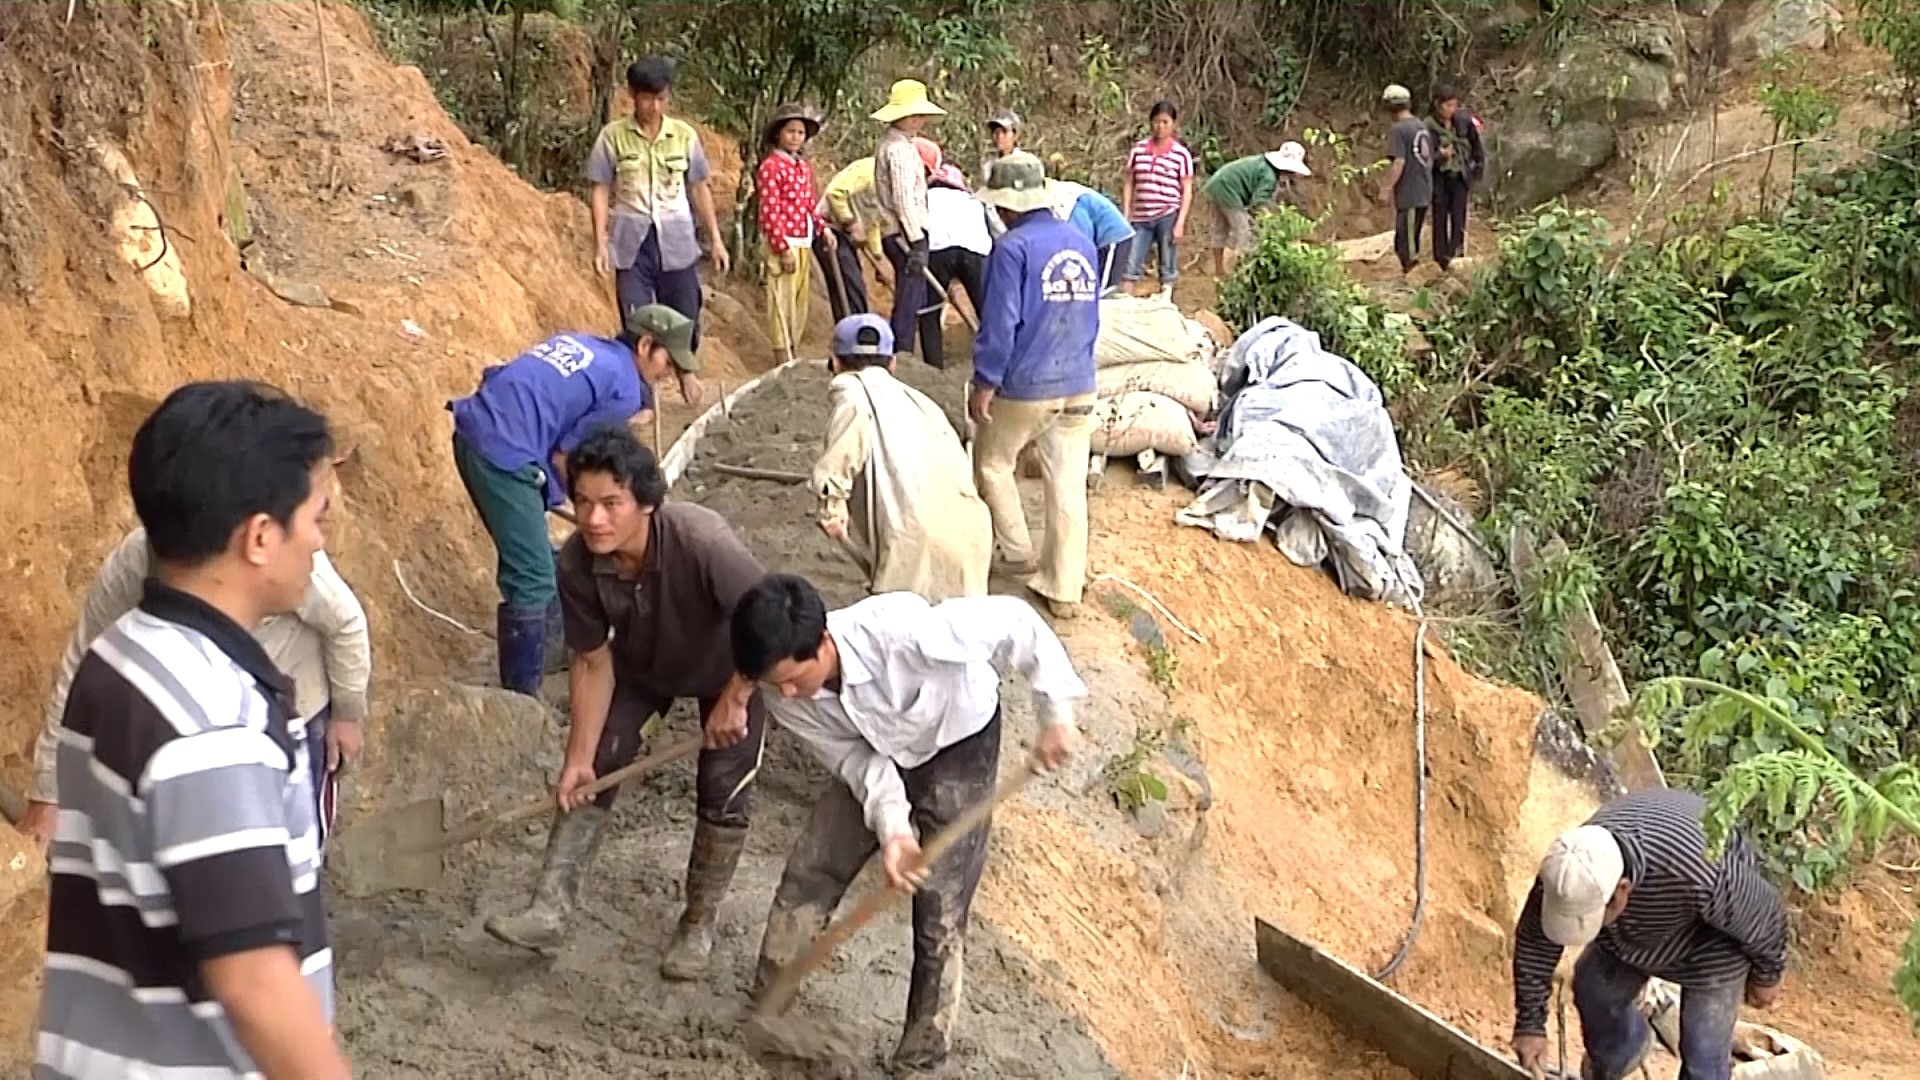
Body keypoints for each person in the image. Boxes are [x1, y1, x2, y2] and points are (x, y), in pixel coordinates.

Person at [38, 381, 347, 1078]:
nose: (320, 542)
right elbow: (254, 983)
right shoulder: (213, 721)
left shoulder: (123, 656)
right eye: (315, 519)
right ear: (261, 537)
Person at [730, 574, 1083, 1075]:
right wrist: (894, 831)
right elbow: (857, 762)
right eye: (773, 683)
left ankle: (920, 1057)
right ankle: (770, 1012)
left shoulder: (903, 631)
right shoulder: (786, 698)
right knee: (811, 870)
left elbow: (1016, 622)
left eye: (793, 678)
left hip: (959, 741)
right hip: (878, 752)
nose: (787, 692)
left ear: (823, 642)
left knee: (939, 906)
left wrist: (1056, 712)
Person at [484, 427, 770, 982]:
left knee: (723, 788)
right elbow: (592, 663)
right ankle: (550, 906)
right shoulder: (577, 565)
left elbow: (767, 620)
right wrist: (578, 758)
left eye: (611, 504)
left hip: (732, 668)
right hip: (646, 669)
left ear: (644, 501)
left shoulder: (700, 541)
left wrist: (736, 698)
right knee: (599, 766)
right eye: (584, 503)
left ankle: (697, 924)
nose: (594, 520)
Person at [21, 526, 371, 857]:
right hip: (206, 711)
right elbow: (83, 667)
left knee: (288, 856)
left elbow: (347, 622)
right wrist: (48, 796)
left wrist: (347, 714)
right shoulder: (135, 561)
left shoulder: (286, 554)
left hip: (295, 710)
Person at [447, 305, 694, 696]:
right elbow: (567, 458)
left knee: (539, 553)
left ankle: (552, 646)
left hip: (475, 428)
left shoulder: (592, 346)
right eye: (669, 361)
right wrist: (598, 514)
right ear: (646, 344)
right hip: (502, 451)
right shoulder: (625, 388)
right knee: (532, 577)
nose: (668, 374)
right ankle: (520, 699)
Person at [1511, 789, 1789, 1080]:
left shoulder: (1701, 873)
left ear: (1621, 892)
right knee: (1595, 990)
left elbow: (1765, 912)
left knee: (1702, 1052)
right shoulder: (1567, 869)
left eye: (1588, 919)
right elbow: (1535, 943)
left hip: (1711, 942)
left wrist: (1767, 976)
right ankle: (1622, 1054)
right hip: (1635, 928)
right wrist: (1529, 1025)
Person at [968, 151, 1100, 619]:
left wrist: (985, 381)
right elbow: (1091, 314)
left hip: (1027, 383)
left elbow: (1000, 324)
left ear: (1008, 205)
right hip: (1080, 381)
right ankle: (1065, 590)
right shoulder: (1081, 241)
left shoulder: (1012, 249)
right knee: (1068, 485)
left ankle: (1018, 551)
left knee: (993, 463)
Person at [814, 314, 992, 602]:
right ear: (893, 364)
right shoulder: (923, 404)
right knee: (960, 631)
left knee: (904, 632)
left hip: (915, 538)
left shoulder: (854, 398)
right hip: (972, 532)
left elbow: (838, 461)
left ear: (834, 362)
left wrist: (831, 507)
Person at [587, 56, 729, 378]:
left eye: (662, 98)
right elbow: (600, 189)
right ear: (633, 97)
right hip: (631, 243)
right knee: (635, 318)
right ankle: (639, 390)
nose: (654, 107)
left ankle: (685, 375)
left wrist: (717, 240)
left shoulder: (684, 136)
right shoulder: (613, 137)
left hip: (676, 238)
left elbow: (699, 187)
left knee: (685, 312)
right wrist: (600, 244)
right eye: (648, 98)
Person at [872, 79, 947, 363]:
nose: (921, 120)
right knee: (909, 297)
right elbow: (904, 199)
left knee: (912, 295)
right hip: (906, 232)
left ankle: (901, 350)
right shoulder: (899, 150)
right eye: (916, 115)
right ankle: (900, 352)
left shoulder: (896, 145)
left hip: (899, 230)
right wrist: (916, 241)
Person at [755, 102, 836, 362]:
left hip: (803, 240)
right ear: (779, 133)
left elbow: (809, 205)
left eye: (800, 133)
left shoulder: (803, 167)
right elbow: (770, 209)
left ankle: (794, 351)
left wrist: (824, 231)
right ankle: (782, 358)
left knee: (799, 304)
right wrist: (781, 247)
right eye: (790, 131)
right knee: (781, 302)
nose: (796, 138)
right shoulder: (771, 167)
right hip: (784, 242)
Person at [920, 164, 995, 371]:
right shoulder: (973, 201)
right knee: (988, 310)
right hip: (974, 251)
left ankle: (932, 367)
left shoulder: (926, 196)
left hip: (938, 250)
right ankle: (997, 360)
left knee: (930, 313)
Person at [1200, 142, 1312, 277]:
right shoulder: (1268, 176)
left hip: (1216, 185)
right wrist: (1270, 223)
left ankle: (1219, 272)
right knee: (1244, 233)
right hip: (1229, 190)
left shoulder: (1261, 164)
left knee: (1220, 229)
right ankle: (1242, 273)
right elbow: (1258, 204)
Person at [1121, 100, 1195, 294]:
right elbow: (1129, 181)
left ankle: (1166, 302)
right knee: (1130, 263)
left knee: (1167, 264)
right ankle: (1125, 301)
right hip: (1141, 216)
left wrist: (1180, 222)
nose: (1160, 127)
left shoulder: (1181, 155)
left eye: (1165, 122)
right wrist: (1127, 211)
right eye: (1156, 122)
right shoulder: (1138, 150)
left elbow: (1187, 189)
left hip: (1168, 213)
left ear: (1173, 125)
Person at [817, 156, 895, 322]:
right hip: (828, 229)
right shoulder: (868, 170)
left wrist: (877, 256)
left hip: (846, 234)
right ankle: (852, 334)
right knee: (848, 286)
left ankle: (854, 331)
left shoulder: (889, 184)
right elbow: (835, 193)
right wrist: (851, 222)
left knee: (854, 287)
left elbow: (873, 219)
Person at [1427, 84, 1487, 272]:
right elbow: (1424, 155)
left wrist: (1478, 165)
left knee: (1459, 216)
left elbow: (1475, 144)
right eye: (1447, 105)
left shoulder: (1463, 121)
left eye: (1454, 105)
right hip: (1439, 177)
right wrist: (1440, 156)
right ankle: (1441, 258)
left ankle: (1458, 254)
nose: (1450, 110)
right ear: (1437, 104)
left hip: (1460, 175)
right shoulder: (1428, 126)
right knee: (1440, 216)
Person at [1378, 83, 1436, 274]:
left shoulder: (1399, 130)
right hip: (1423, 189)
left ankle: (1414, 278)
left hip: (1410, 192)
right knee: (1408, 235)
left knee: (1408, 242)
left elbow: (1399, 162)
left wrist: (1386, 188)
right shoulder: (1420, 125)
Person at [1047, 178, 1134, 295]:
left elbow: (1082, 239)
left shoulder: (1070, 202)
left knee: (1103, 289)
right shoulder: (1066, 193)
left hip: (1113, 237)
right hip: (1098, 239)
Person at [982, 107, 1022, 186]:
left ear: (1015, 134)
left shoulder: (1024, 164)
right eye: (995, 132)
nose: (999, 136)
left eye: (1004, 131)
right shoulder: (988, 166)